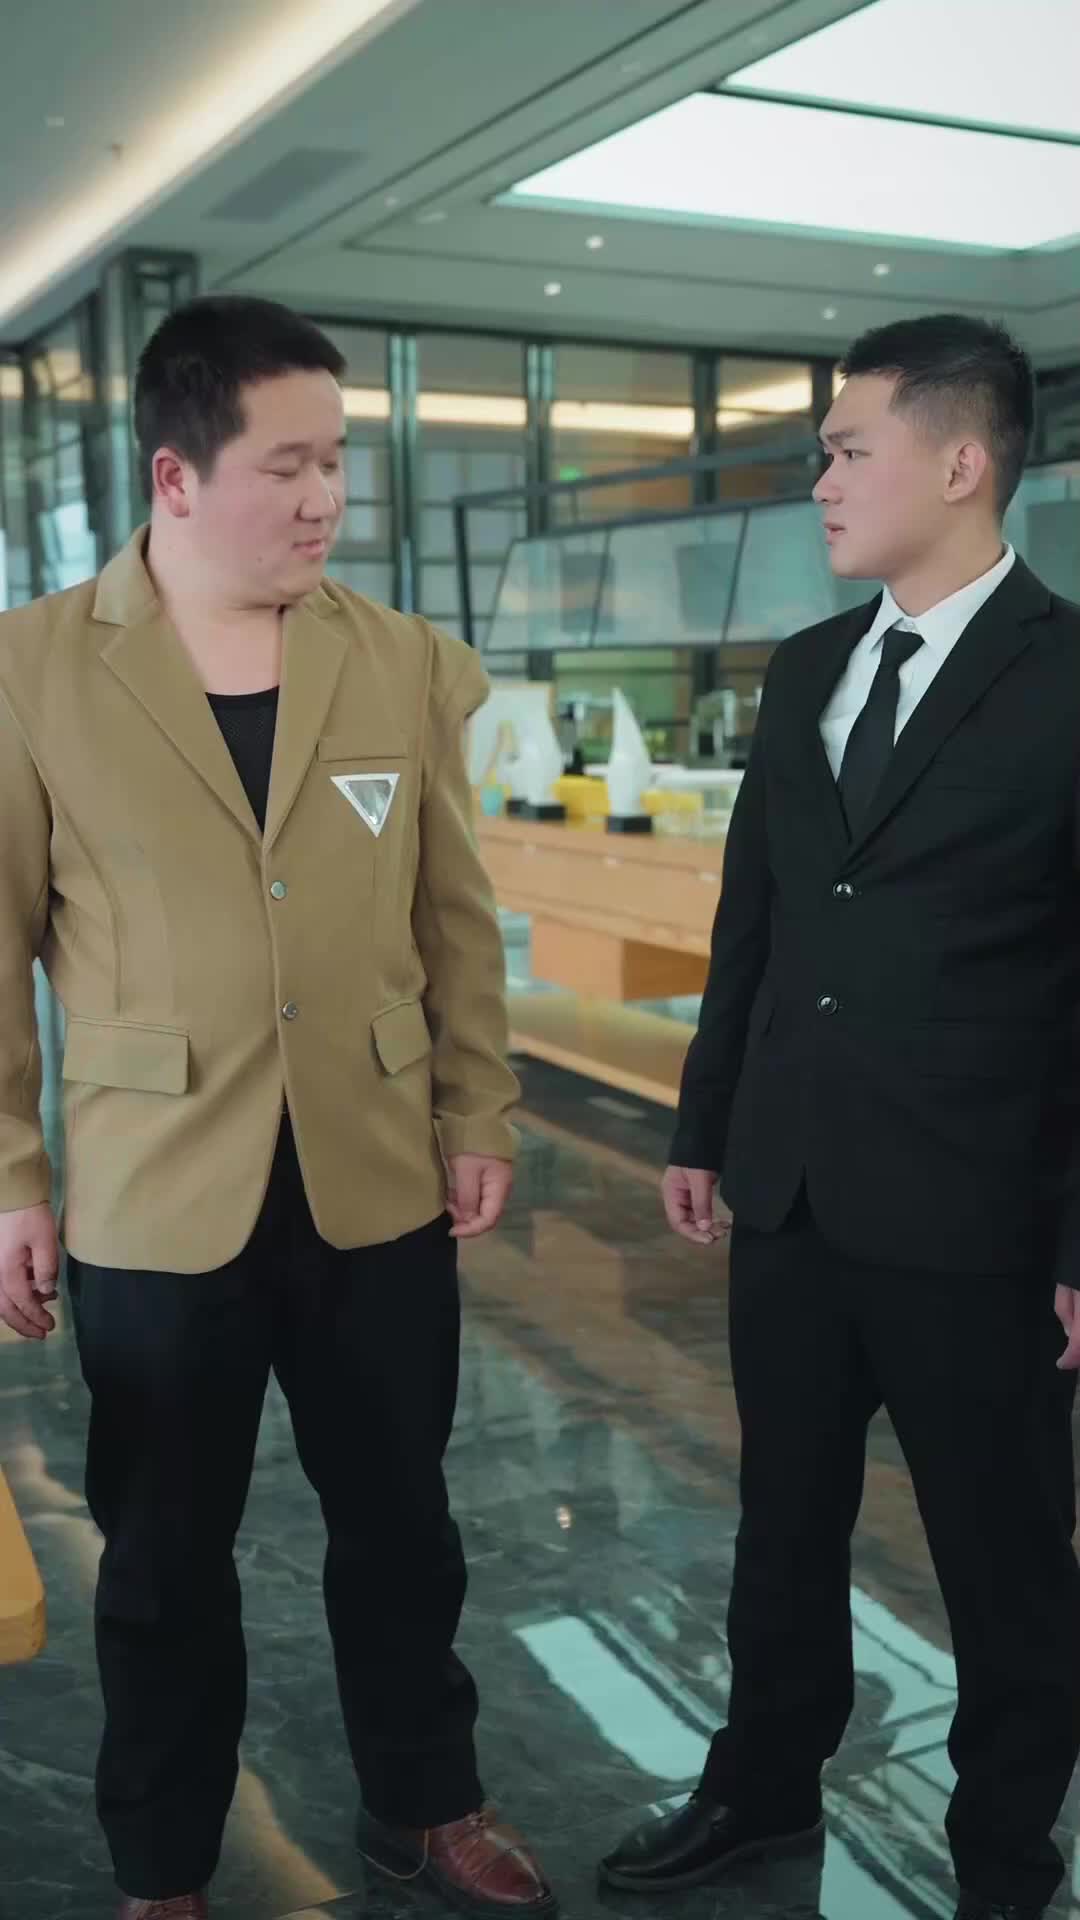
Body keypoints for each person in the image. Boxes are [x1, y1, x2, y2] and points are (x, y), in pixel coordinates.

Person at [0, 295, 555, 1920]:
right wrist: (11, 1174)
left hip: (376, 1176)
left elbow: (454, 912)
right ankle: (164, 1869)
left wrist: (481, 1107)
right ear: (176, 478)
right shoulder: (33, 670)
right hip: (155, 1186)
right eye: (288, 466)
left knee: (404, 1525)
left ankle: (427, 1805)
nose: (326, 499)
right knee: (160, 1559)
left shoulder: (397, 658)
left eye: (338, 462)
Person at [599, 315, 1080, 1920]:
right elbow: (760, 917)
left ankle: (1005, 1857)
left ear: (961, 463)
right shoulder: (809, 665)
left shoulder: (1070, 673)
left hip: (980, 1212)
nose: (819, 481)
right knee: (781, 1525)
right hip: (793, 1188)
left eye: (848, 449)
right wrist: (701, 1125)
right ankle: (759, 1790)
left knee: (1005, 1561)